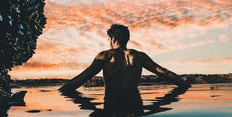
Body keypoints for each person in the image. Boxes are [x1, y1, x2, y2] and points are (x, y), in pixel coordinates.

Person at [59, 24, 190, 95]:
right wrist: (185, 85)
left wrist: (62, 91)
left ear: (112, 39)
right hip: (133, 100)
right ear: (127, 38)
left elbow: (82, 77)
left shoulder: (105, 56)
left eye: (109, 39)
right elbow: (164, 72)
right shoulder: (139, 56)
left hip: (112, 101)